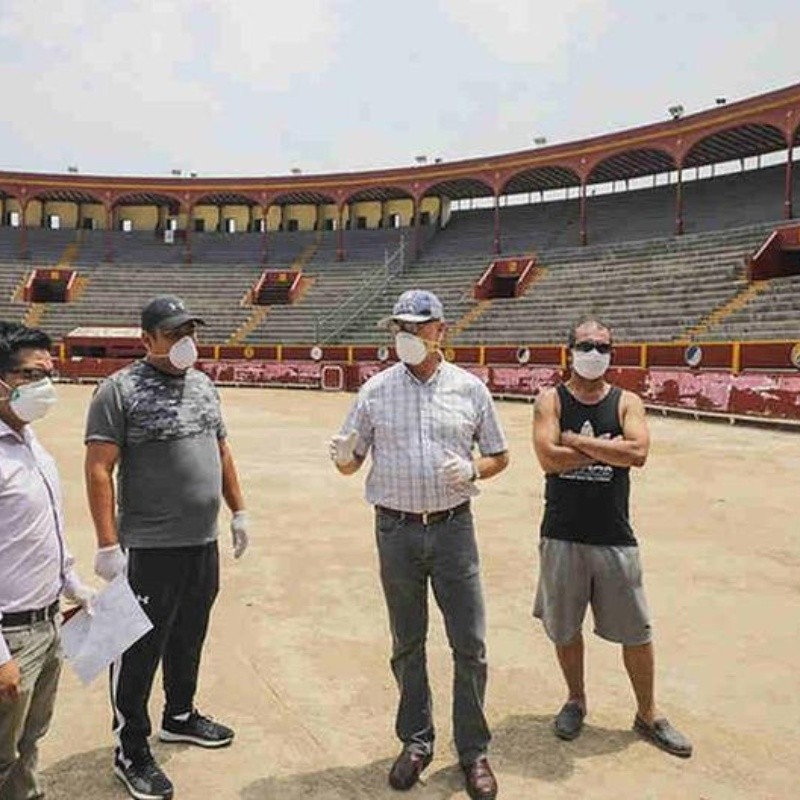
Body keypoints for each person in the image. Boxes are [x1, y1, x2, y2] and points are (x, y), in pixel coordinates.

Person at [329, 290, 508, 800]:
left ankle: (473, 751)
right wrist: (342, 455)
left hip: (453, 528)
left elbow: (499, 455)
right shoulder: (375, 391)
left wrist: (474, 468)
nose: (406, 336)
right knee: (407, 642)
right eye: (399, 327)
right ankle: (416, 741)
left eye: (416, 326)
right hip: (396, 529)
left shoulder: (471, 390)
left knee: (469, 643)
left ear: (440, 331)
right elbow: (350, 463)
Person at [84, 296, 250, 800]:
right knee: (136, 649)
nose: (185, 342)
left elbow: (220, 449)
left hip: (203, 543)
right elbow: (98, 469)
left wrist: (239, 511)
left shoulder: (203, 384)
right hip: (150, 548)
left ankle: (179, 714)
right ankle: (129, 748)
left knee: (188, 635)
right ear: (147, 340)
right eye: (174, 333)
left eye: (189, 332)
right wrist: (108, 544)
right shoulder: (118, 390)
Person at [531, 316, 692, 758]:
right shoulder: (551, 400)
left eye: (603, 346)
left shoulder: (627, 401)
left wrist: (574, 443)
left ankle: (648, 712)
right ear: (570, 350)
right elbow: (548, 458)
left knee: (636, 631)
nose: (595, 354)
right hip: (562, 533)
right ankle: (575, 700)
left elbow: (637, 453)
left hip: (614, 535)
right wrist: (606, 449)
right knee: (565, 627)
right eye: (587, 345)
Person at [0, 322, 94, 800]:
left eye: (49, 374)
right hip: (9, 635)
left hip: (48, 622)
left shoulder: (32, 444)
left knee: (30, 741)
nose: (46, 387)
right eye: (33, 375)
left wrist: (73, 583)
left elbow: (45, 531)